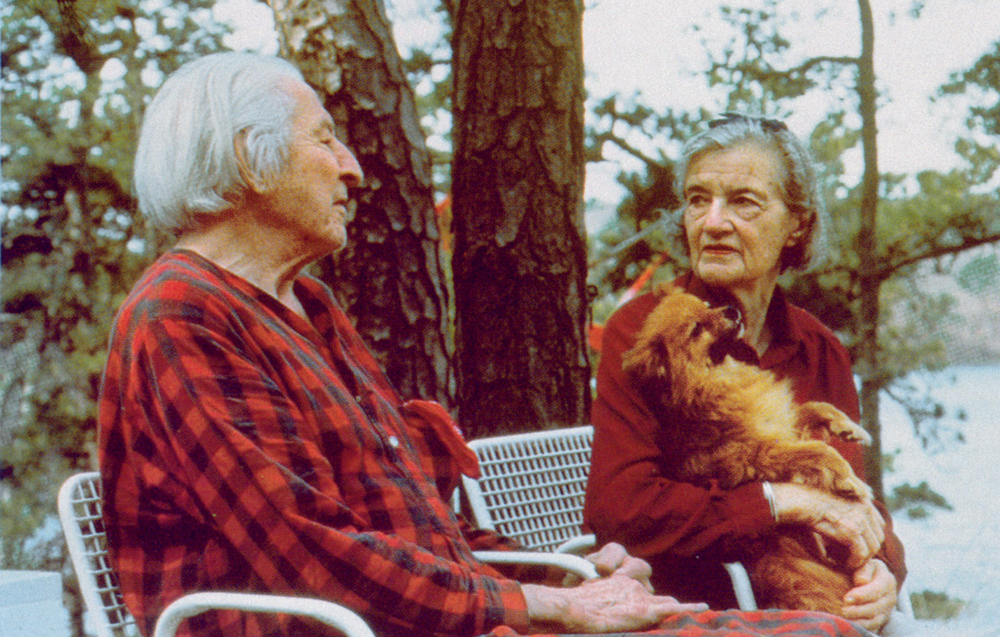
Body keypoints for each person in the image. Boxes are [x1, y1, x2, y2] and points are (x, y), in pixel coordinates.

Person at [99, 53, 879, 637]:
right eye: (326, 140)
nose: (354, 168)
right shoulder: (183, 317)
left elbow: (416, 524)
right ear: (249, 160)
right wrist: (551, 602)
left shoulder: (305, 307)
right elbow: (312, 551)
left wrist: (565, 572)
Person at [583, 114, 908, 635]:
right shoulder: (647, 333)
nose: (711, 222)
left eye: (742, 201)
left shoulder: (818, 348)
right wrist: (783, 502)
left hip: (820, 601)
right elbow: (622, 512)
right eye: (696, 199)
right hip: (694, 607)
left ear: (796, 224)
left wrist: (882, 570)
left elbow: (855, 500)